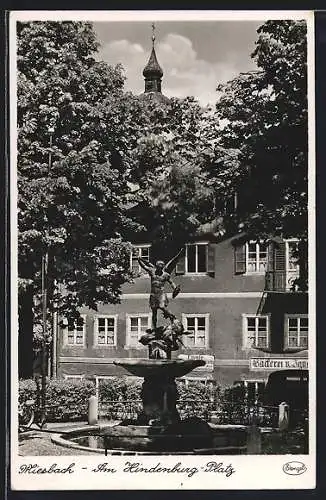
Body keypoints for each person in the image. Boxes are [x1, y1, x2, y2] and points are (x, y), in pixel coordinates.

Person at [138, 249, 184, 329]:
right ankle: (154, 328)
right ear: (156, 266)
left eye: (161, 267)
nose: (159, 268)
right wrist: (139, 260)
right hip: (153, 294)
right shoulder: (152, 271)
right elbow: (144, 266)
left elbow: (171, 282)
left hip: (161, 293)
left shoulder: (166, 275)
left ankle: (171, 316)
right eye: (158, 267)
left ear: (162, 267)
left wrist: (175, 288)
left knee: (162, 307)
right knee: (154, 312)